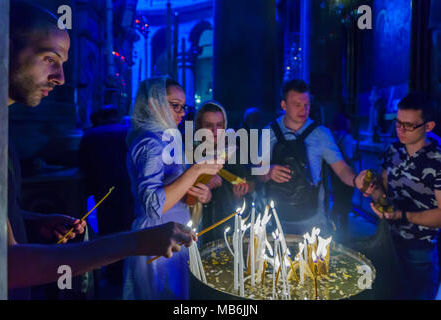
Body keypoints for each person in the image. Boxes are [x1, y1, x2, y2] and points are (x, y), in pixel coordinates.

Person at [7, 1, 196, 298]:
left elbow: (2, 224)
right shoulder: (148, 141)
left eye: (64, 63)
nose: (62, 78)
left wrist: (32, 220)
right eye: (49, 58)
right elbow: (6, 262)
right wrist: (136, 241)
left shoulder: (0, 133)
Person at [122, 77, 222, 300]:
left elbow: (177, 190)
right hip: (156, 234)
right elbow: (153, 206)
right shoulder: (150, 143)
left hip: (174, 232)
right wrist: (195, 171)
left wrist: (199, 193)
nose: (181, 112)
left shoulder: (168, 138)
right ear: (153, 104)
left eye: (183, 106)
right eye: (174, 105)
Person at [358, 92, 441, 299]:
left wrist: (402, 215)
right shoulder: (393, 150)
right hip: (387, 240)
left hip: (419, 250)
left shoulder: (436, 160)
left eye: (409, 125)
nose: (401, 130)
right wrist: (370, 189)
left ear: (428, 127)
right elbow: (384, 194)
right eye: (398, 123)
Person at [259, 79, 361, 236]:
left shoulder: (321, 134)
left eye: (306, 105)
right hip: (276, 217)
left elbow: (341, 170)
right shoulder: (268, 132)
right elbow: (256, 173)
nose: (303, 110)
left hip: (313, 219)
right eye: (297, 105)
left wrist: (357, 181)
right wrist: (269, 171)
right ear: (284, 105)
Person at [78, 106, 135, 285]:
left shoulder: (90, 135)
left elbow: (84, 165)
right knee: (129, 226)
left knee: (108, 229)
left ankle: (113, 273)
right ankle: (129, 271)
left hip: (104, 189)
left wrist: (88, 191)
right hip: (127, 187)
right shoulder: (126, 131)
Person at [193, 101, 251, 242]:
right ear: (199, 126)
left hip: (228, 229)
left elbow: (248, 198)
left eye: (219, 125)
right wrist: (206, 184)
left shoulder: (234, 154)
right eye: (208, 125)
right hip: (200, 230)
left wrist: (240, 196)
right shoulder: (189, 155)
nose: (215, 131)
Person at [328, 113, 358, 239]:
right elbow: (349, 156)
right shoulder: (347, 137)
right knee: (345, 203)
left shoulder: (332, 136)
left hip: (334, 174)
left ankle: (332, 228)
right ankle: (344, 232)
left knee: (337, 200)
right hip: (346, 172)